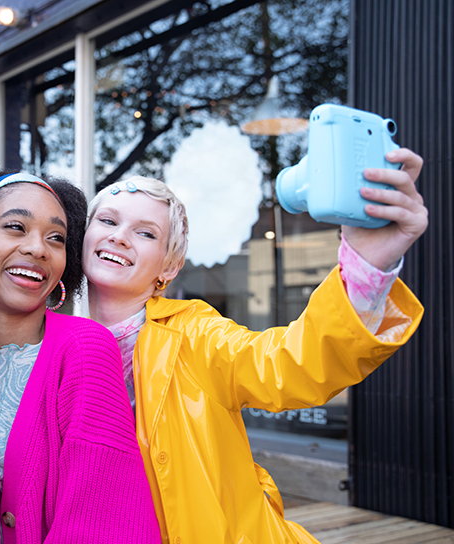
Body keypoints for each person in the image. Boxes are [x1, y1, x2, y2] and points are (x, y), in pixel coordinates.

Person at [82, 149, 427, 544]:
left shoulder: (195, 334)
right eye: (107, 220)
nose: (119, 236)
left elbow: (289, 363)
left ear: (169, 267)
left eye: (146, 233)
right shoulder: (43, 338)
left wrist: (368, 263)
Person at [0, 147, 160, 543]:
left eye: (56, 238)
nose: (38, 248)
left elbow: (100, 511)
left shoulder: (89, 349)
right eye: (16, 228)